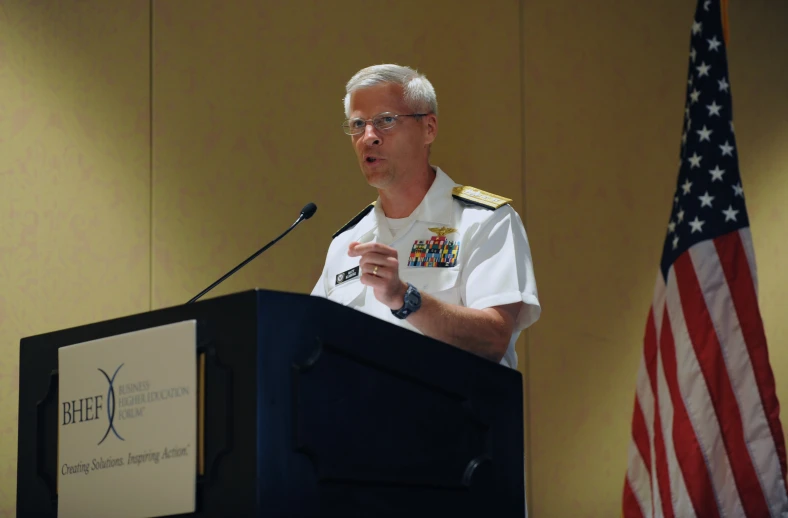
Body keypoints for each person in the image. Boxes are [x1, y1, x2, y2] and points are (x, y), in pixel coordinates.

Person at [310, 64, 540, 369]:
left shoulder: (484, 222)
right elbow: (310, 341)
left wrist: (406, 298)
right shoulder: (346, 244)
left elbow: (493, 339)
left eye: (385, 121)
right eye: (357, 124)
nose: (368, 137)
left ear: (429, 128)